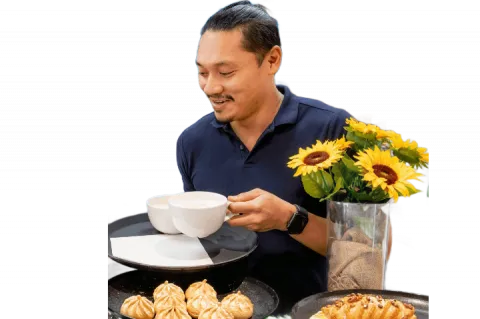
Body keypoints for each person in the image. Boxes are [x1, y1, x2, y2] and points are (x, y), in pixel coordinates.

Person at [176, 0, 391, 315]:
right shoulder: (191, 142)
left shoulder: (337, 130)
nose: (211, 86)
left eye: (226, 71)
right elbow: (196, 245)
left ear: (272, 60)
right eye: (202, 72)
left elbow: (375, 252)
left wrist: (290, 219)